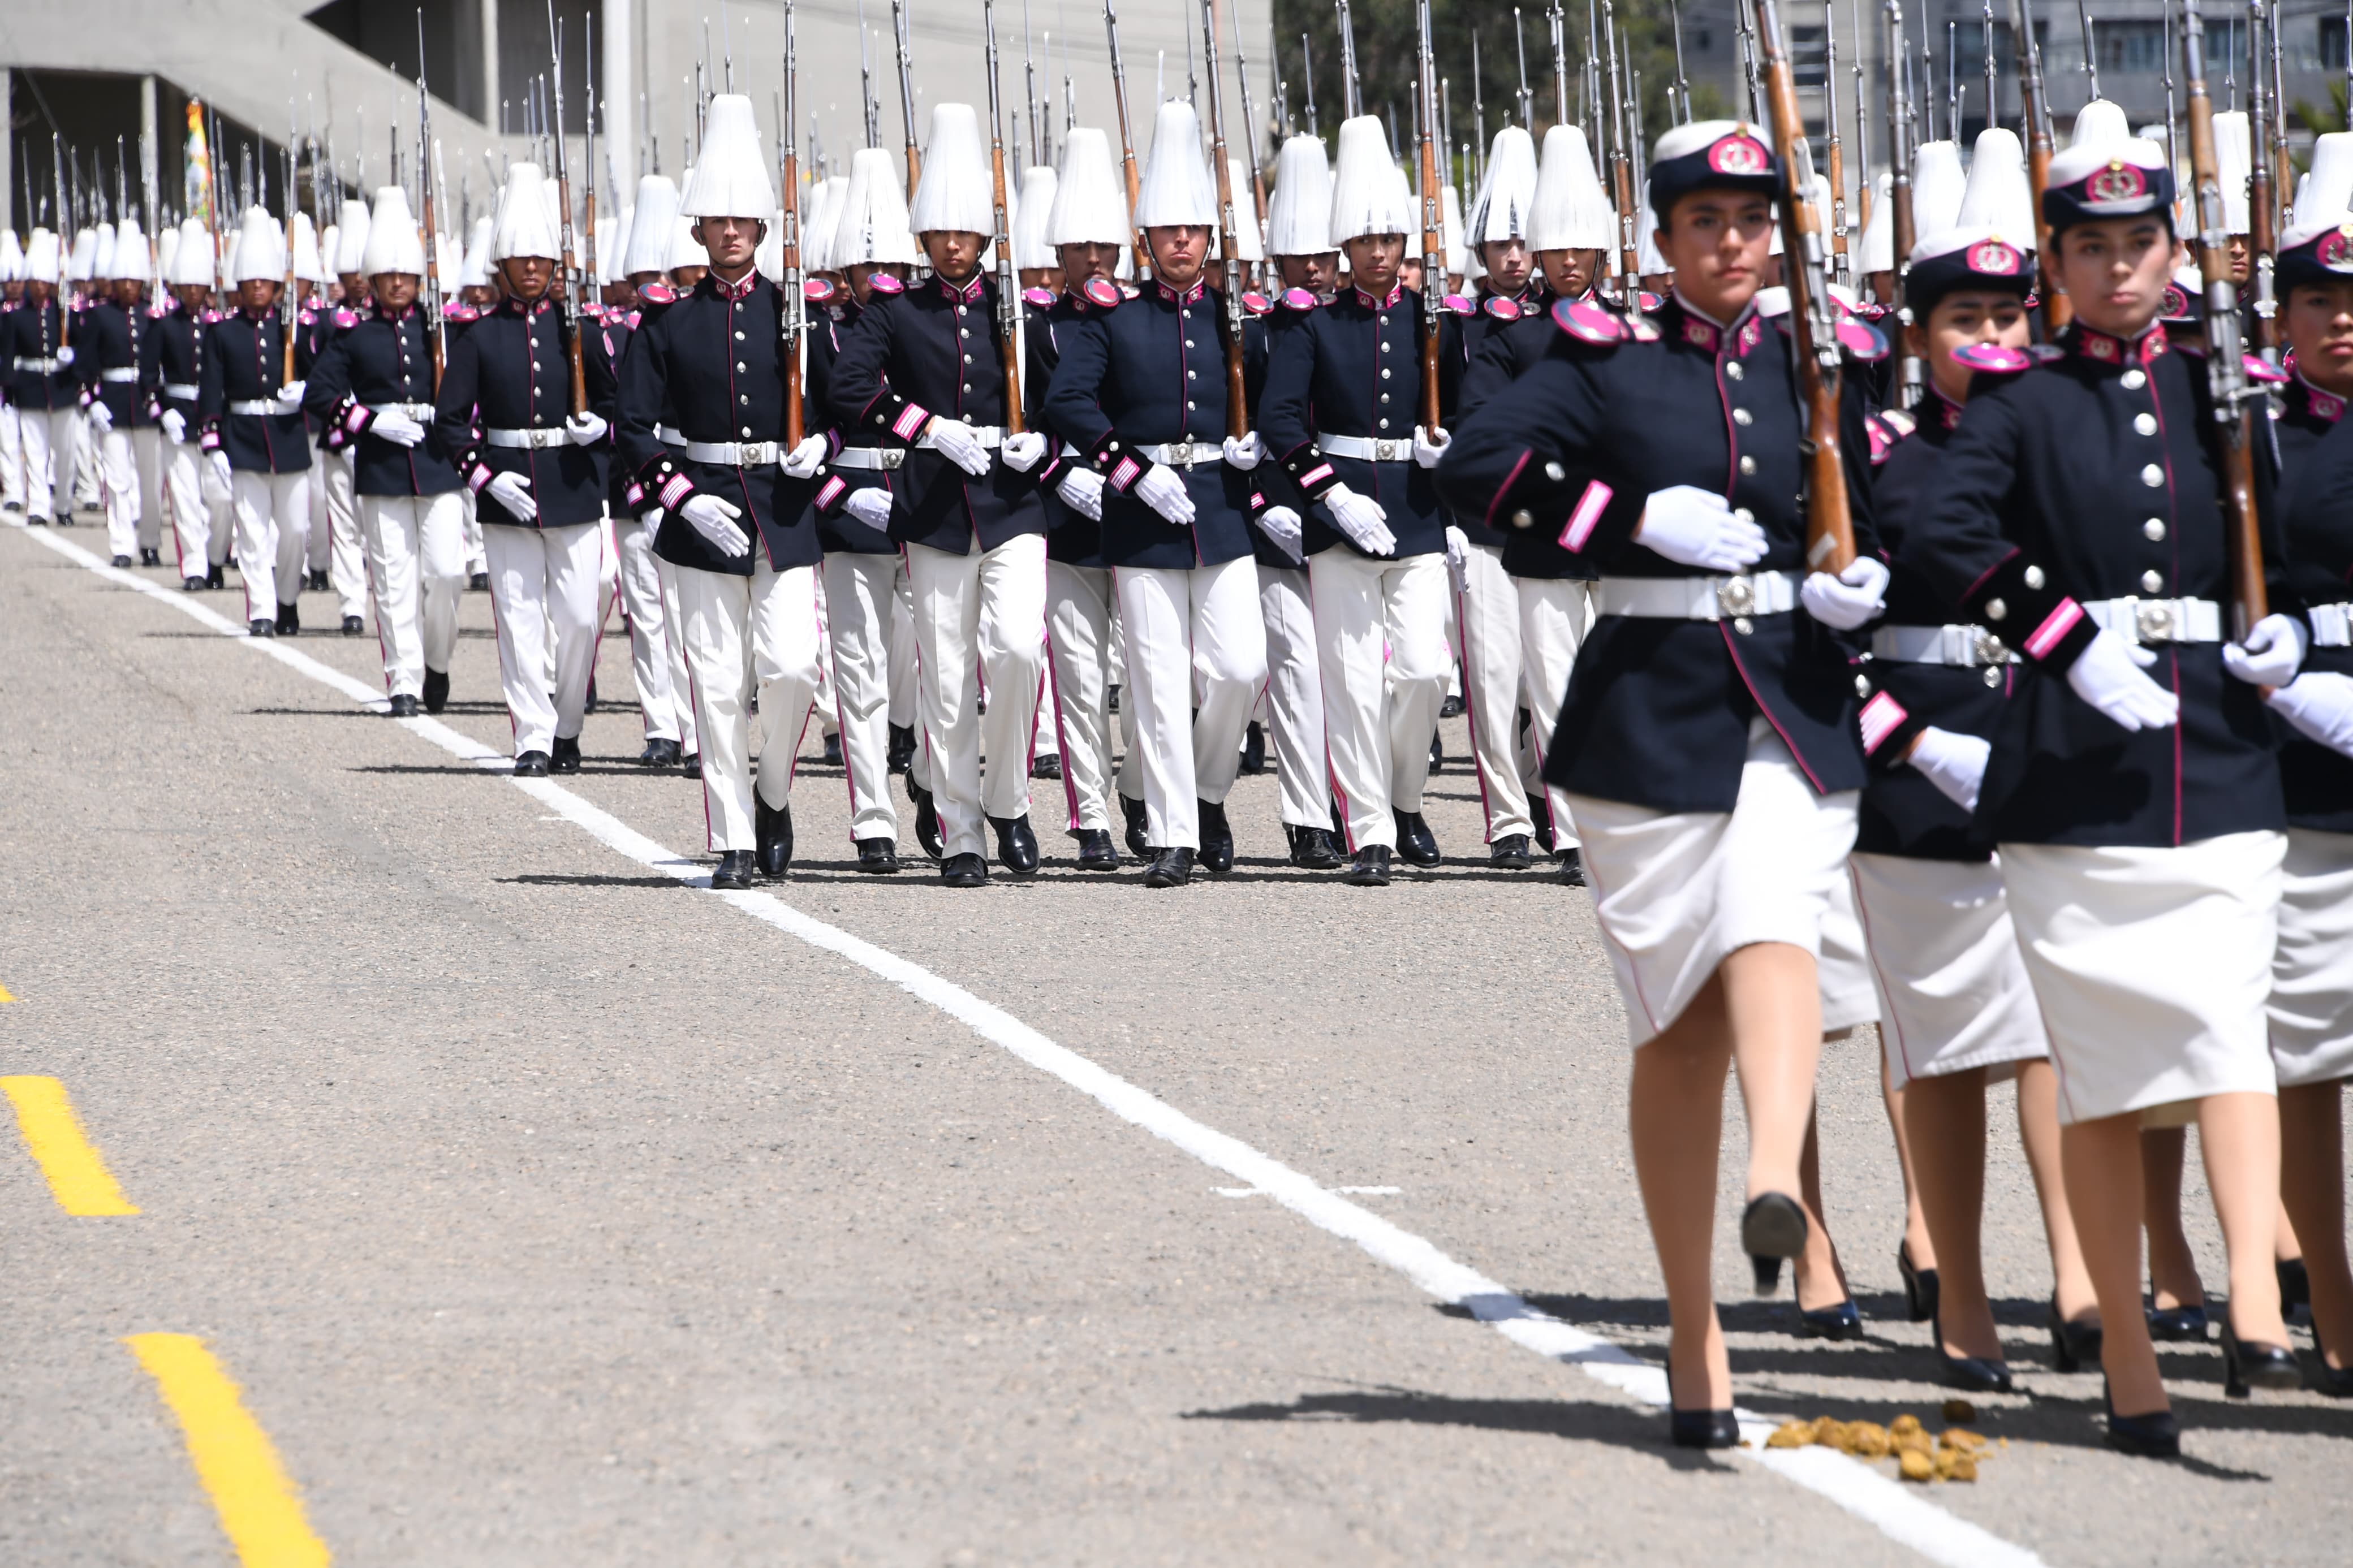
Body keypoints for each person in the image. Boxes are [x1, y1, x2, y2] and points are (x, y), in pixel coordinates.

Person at [1436, 119, 1887, 1446]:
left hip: (1794, 704)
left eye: (1752, 222)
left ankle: (1775, 1181)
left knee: (1776, 914)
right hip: (1650, 711)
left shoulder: (1825, 361)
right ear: (1664, 236)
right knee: (1680, 1033)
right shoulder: (1606, 361)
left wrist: (1860, 577)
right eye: (1706, 223)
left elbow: (1877, 505)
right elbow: (1474, 468)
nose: (1732, 244)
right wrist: (1626, 518)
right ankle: (1696, 1333)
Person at [1906, 135, 2311, 1455]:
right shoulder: (2019, 400)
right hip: (2071, 781)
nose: (2118, 269)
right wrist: (2060, 637)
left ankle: (2255, 1295)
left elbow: (2288, 535)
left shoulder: (2224, 390)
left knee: (2230, 1029)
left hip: (2222, 761)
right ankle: (2129, 1355)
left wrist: (2289, 630)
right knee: (2101, 1079)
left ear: (2174, 254)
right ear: (2058, 264)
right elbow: (1946, 531)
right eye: (2090, 248)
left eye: (2139, 245)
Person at [1850, 221, 2098, 1390]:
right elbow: (1815, 636)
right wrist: (1904, 738)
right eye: (1964, 319)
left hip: (2049, 750)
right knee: (1946, 1042)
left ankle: (2079, 1274)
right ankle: (1958, 1290)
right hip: (1919, 768)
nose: (1990, 336)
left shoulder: (2066, 444)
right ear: (1918, 337)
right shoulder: (1871, 455)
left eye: (2008, 316)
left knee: (2054, 1029)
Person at [829, 102, 1059, 889]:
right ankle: (962, 834)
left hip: (1012, 503)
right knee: (949, 673)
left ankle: (1008, 799)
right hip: (932, 508)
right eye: (940, 233)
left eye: (965, 231)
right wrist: (921, 426)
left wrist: (1043, 441)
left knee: (1018, 650)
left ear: (985, 237)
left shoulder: (1017, 308)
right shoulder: (897, 310)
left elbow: (1061, 398)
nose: (953, 244)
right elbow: (850, 384)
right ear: (923, 238)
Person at [1044, 101, 1269, 887]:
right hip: (1142, 517)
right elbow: (1067, 401)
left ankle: (1207, 793)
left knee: (1239, 669)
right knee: (1158, 679)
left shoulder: (1238, 320)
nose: (1181, 242)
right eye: (1168, 230)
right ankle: (1175, 834)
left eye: (1193, 230)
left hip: (1221, 509)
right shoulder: (1116, 318)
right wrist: (1128, 469)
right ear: (1145, 240)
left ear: (1209, 238)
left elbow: (1276, 402)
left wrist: (1255, 447)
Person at [617, 96, 830, 888]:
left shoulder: (796, 313)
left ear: (763, 229)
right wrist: (679, 496)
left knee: (793, 670)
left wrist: (822, 445)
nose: (731, 231)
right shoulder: (667, 322)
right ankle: (734, 837)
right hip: (702, 510)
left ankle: (771, 790)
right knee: (713, 683)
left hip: (785, 510)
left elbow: (840, 407)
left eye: (742, 220)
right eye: (717, 220)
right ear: (699, 230)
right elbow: (632, 427)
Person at [1260, 115, 1464, 886]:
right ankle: (1371, 828)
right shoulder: (1316, 324)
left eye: (1389, 238)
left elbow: (1471, 412)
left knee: (1423, 673)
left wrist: (1451, 459)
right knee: (1349, 681)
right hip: (1338, 518)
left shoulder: (1433, 322)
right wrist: (1329, 495)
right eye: (1365, 240)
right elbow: (1281, 418)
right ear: (1345, 246)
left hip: (1416, 511)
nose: (1378, 252)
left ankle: (1404, 797)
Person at [2258, 135, 2353, 1397]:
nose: (2341, 319)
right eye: (2318, 296)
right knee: (2307, 1056)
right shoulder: (2253, 440)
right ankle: (2328, 1294)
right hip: (2299, 781)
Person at [433, 163, 616, 776]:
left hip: (573, 485)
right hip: (506, 489)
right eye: (521, 258)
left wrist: (601, 428)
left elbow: (619, 405)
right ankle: (534, 736)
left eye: (541, 258)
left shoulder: (580, 330)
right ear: (503, 263)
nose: (532, 267)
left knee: (581, 619)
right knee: (518, 621)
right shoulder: (479, 336)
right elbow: (450, 422)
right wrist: (483, 476)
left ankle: (567, 723)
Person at [305, 186, 466, 720]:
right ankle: (404, 680)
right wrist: (369, 421)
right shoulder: (355, 333)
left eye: (406, 274)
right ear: (373, 280)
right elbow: (319, 394)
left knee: (446, 572)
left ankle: (437, 661)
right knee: (394, 579)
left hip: (439, 461)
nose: (398, 283)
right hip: (382, 464)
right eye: (388, 275)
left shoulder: (441, 329)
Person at [809, 145, 923, 873]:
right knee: (857, 668)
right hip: (850, 510)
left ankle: (929, 777)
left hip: (924, 504)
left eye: (893, 266)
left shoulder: (927, 322)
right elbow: (803, 431)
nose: (882, 277)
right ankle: (872, 818)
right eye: (868, 266)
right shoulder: (818, 332)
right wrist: (840, 494)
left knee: (937, 664)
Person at [1021, 128, 1132, 872]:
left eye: (1104, 246)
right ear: (1058, 250)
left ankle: (1146, 793)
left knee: (1152, 679)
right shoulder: (1035, 327)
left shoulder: (1144, 316)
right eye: (1079, 246)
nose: (1093, 258)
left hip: (1141, 510)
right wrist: (1060, 472)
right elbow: (1020, 422)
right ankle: (1091, 816)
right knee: (1080, 675)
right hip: (1065, 514)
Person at [1447, 125, 1547, 870]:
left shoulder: (1565, 318)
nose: (1512, 256)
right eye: (1500, 243)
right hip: (1478, 518)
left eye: (1523, 242)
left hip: (1551, 519)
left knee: (1549, 678)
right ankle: (1508, 819)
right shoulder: (1453, 326)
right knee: (1488, 675)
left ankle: (1544, 787)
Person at [1252, 132, 1345, 871]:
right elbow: (1233, 435)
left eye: (1322, 255)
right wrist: (1259, 502)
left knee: (1361, 676)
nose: (1311, 268)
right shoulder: (1253, 334)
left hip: (1347, 522)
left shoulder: (1355, 330)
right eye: (1298, 256)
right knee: (1296, 672)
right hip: (1276, 522)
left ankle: (1368, 804)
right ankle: (1310, 818)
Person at [606, 172, 694, 768]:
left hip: (698, 476)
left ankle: (697, 729)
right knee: (648, 609)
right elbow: (627, 421)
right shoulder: (625, 332)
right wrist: (645, 492)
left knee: (694, 616)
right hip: (641, 484)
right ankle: (662, 725)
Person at [199, 206, 314, 637]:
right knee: (251, 530)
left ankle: (287, 598)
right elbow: (212, 388)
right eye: (251, 281)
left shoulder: (293, 328)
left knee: (296, 530)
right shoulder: (223, 332)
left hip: (289, 436)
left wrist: (306, 390)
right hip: (244, 438)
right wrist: (212, 438)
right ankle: (262, 610)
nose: (258, 287)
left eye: (265, 280)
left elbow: (319, 374)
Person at [77, 217, 159, 569]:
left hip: (147, 404)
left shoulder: (152, 314)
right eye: (123, 279)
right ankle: (122, 544)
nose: (128, 286)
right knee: (117, 479)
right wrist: (91, 401)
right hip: (112, 401)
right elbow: (85, 364)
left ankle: (151, 541)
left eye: (133, 279)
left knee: (151, 480)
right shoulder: (100, 316)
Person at [155, 218, 227, 590]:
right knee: (184, 497)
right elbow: (149, 376)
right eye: (189, 285)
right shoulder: (165, 325)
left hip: (213, 418)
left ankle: (215, 556)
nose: (195, 291)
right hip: (179, 415)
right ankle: (195, 567)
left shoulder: (219, 324)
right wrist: (160, 410)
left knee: (221, 496)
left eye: (200, 284)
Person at [6, 228, 82, 529]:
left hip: (61, 386)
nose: (39, 286)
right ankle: (38, 506)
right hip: (31, 386)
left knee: (65, 451)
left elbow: (81, 347)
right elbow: (9, 355)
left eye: (44, 281)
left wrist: (72, 360)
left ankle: (63, 503)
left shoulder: (64, 313)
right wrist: (9, 388)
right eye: (34, 281)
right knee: (35, 451)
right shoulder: (17, 316)